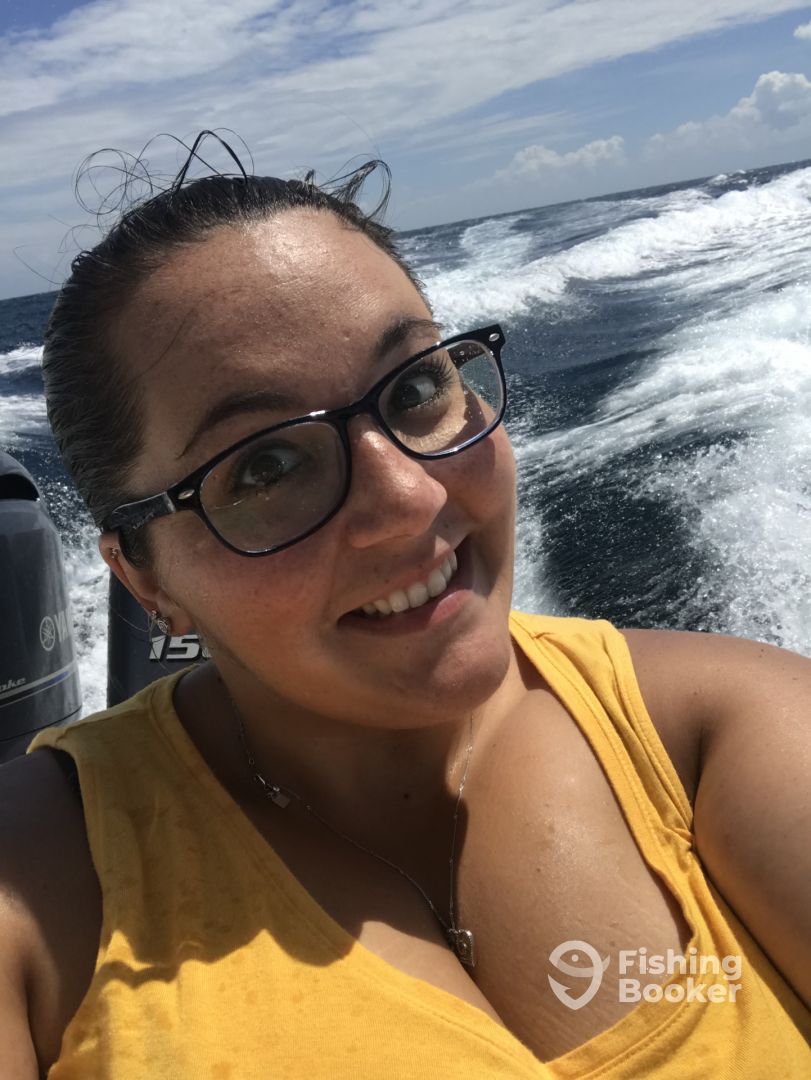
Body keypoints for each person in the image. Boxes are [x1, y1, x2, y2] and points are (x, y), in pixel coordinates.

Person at [0, 134, 808, 1080]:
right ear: (146, 582)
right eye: (264, 465)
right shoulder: (41, 888)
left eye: (418, 386)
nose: (411, 498)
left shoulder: (715, 730)